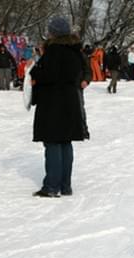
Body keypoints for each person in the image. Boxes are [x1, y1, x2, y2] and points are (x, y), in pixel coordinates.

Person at [30, 16, 88, 198]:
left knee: (53, 142)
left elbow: (49, 74)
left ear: (53, 32)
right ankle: (65, 185)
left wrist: (35, 71)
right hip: (70, 100)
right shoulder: (75, 50)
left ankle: (52, 186)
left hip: (54, 102)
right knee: (65, 142)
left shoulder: (54, 51)